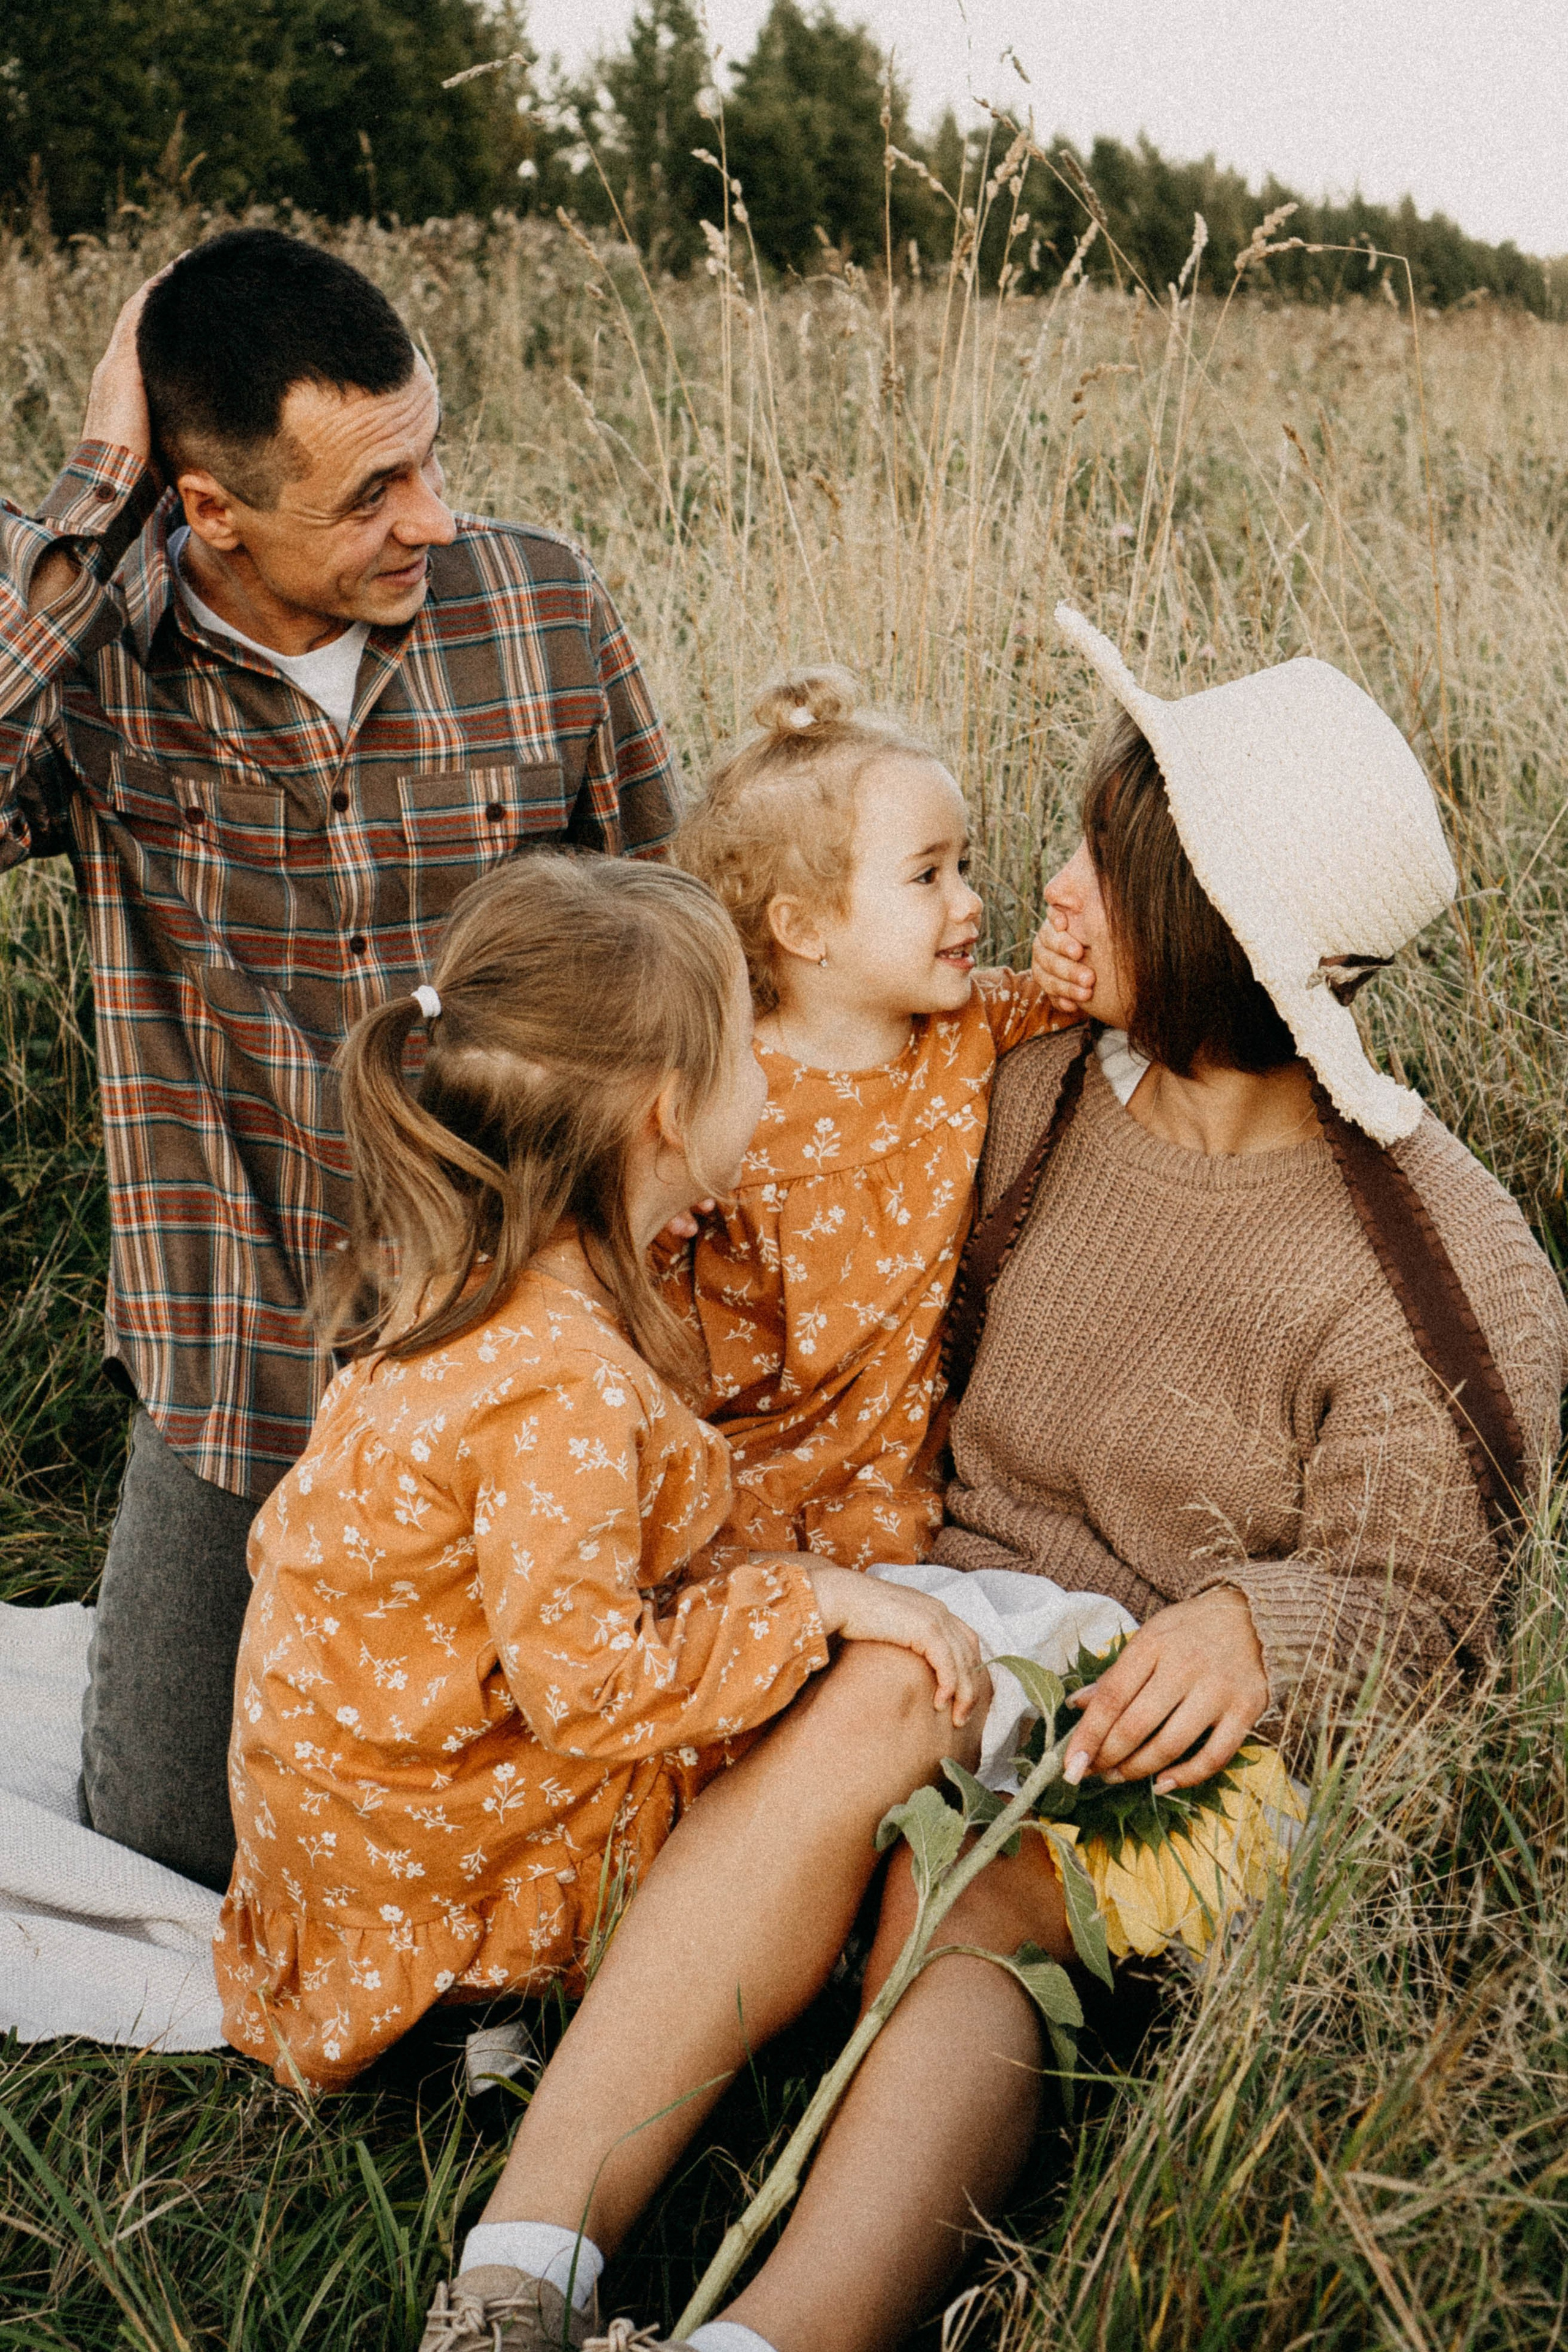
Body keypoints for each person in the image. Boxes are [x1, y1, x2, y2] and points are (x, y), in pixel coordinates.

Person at [402, 611, 1564, 2352]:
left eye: (1105, 862)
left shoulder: (1436, 1251)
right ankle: (515, 2280)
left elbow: (1441, 1600)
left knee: (995, 1874)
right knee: (888, 1688)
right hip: (938, 1637)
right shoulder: (1020, 1096)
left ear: (1213, 926)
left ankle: (767, 2339)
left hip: (1176, 1735)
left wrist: (1266, 1626)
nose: (1057, 887)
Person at [214, 853, 995, 2340]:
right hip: (431, 1873)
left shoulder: (481, 1275)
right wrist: (817, 1600)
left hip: (360, 1826)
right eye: (745, 1053)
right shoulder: (560, 1385)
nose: (769, 1081)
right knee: (848, 1721)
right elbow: (593, 1688)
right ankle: (550, 2004)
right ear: (664, 1115)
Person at [0, 228, 679, 1888]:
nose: (430, 519)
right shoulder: (91, 651)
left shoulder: (541, 605)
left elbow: (678, 946)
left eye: (429, 458)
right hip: (244, 1331)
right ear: (211, 509)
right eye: (371, 492)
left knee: (587, 1779)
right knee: (170, 1829)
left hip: (522, 1319)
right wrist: (98, 491)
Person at [665, 665, 1093, 1568]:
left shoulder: (971, 1024)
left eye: (963, 866)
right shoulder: (723, 1091)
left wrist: (1067, 962)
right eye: (927, 875)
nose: (970, 902)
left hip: (896, 1475)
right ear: (804, 928)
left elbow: (1076, 1001)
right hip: (741, 1464)